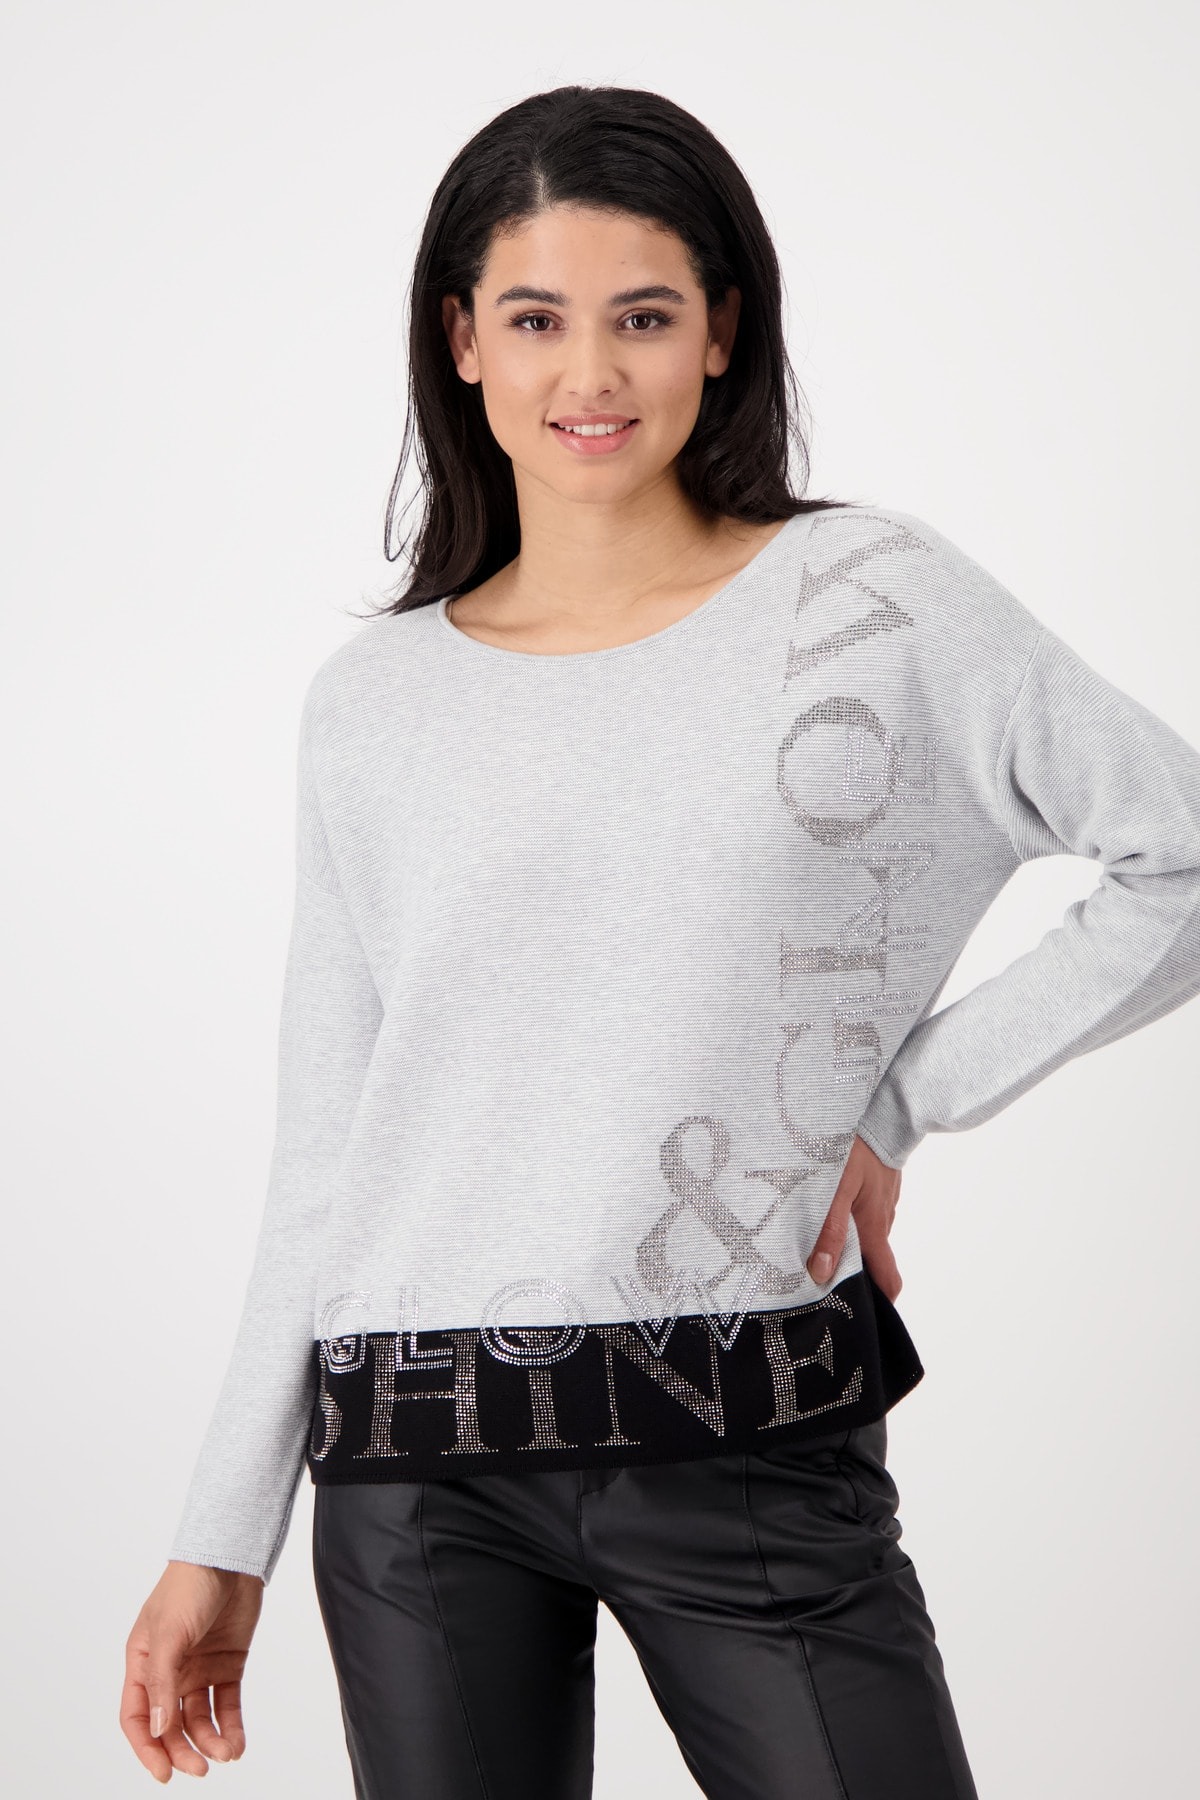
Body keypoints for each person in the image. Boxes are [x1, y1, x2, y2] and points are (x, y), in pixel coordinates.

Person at [121, 84, 1200, 1799]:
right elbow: (329, 1152)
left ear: (722, 331)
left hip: (749, 1428)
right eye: (535, 319)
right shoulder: (374, 703)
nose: (591, 374)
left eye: (641, 316)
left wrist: (898, 1101)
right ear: (462, 341)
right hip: (416, 1471)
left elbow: (1179, 854)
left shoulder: (873, 603)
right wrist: (219, 1532)